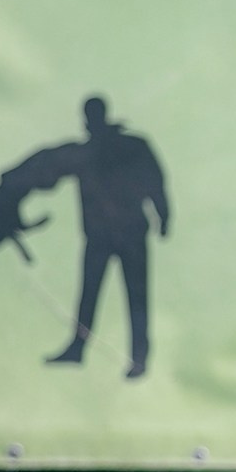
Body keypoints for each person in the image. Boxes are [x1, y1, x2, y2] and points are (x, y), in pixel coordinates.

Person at [45, 94, 169, 379]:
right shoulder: (94, 151)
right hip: (105, 235)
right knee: (94, 295)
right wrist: (163, 215)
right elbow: (50, 171)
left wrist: (164, 214)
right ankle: (83, 349)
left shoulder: (123, 147)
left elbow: (154, 179)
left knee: (130, 297)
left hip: (124, 234)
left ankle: (136, 357)